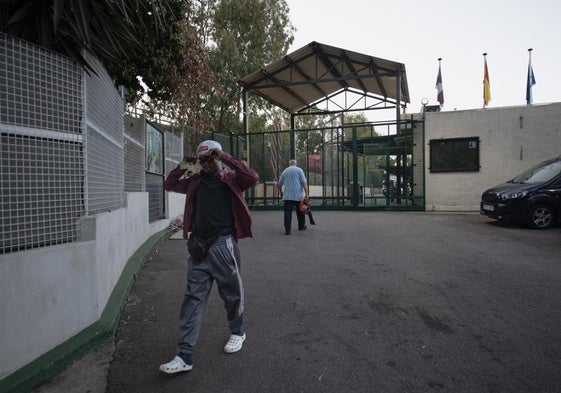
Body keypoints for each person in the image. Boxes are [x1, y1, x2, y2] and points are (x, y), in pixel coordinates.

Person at [159, 140, 259, 374]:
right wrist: (184, 164)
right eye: (203, 160)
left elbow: (252, 177)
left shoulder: (230, 180)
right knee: (193, 298)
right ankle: (184, 355)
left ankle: (237, 332)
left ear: (217, 158)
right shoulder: (194, 181)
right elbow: (169, 184)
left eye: (210, 159)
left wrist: (224, 156)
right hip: (199, 247)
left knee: (232, 294)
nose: (207, 164)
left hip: (223, 245)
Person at [277, 159, 309, 235]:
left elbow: (279, 184)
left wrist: (281, 192)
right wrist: (307, 193)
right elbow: (304, 182)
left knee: (288, 212)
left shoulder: (285, 171)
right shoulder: (299, 170)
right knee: (300, 211)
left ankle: (287, 230)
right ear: (295, 164)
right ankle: (301, 226)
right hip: (298, 195)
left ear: (289, 164)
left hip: (287, 195)